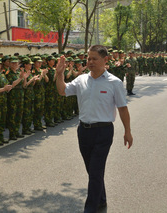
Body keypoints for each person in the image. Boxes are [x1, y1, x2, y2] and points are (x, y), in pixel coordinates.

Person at [56, 45, 133, 213]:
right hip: (84, 131)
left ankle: (90, 208)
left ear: (105, 60)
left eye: (94, 58)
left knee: (96, 171)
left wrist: (128, 131)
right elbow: (62, 91)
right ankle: (102, 199)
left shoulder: (114, 82)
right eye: (88, 58)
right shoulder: (81, 79)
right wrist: (59, 74)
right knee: (92, 170)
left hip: (103, 132)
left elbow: (122, 108)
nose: (90, 62)